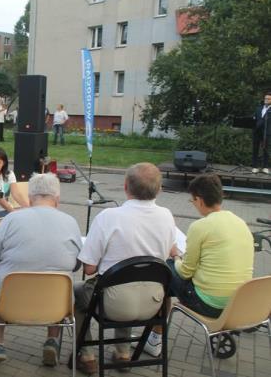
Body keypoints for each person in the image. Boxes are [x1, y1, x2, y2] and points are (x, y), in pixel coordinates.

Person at [70, 162, 177, 374]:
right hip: (153, 304)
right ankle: (123, 354)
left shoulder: (108, 217)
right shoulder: (167, 216)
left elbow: (89, 268)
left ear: (125, 186)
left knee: (73, 293)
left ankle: (87, 356)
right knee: (128, 280)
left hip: (113, 303)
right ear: (160, 189)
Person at [140, 174, 255, 356]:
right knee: (169, 279)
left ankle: (154, 337)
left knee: (165, 269)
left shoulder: (201, 226)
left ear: (199, 200)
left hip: (209, 304)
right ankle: (154, 331)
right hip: (239, 303)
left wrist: (176, 256)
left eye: (192, 201)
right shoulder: (240, 222)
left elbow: (185, 272)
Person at [0, 173, 82, 367]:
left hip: (10, 301)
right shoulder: (71, 222)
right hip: (56, 304)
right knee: (58, 281)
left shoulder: (11, 220)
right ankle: (52, 341)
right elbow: (76, 264)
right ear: (58, 199)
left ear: (29, 198)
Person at [251, 92, 271, 174]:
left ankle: (265, 167)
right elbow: (254, 118)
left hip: (267, 132)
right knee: (255, 149)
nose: (266, 100)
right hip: (257, 132)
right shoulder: (259, 108)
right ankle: (255, 166)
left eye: (268, 99)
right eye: (265, 98)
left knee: (266, 150)